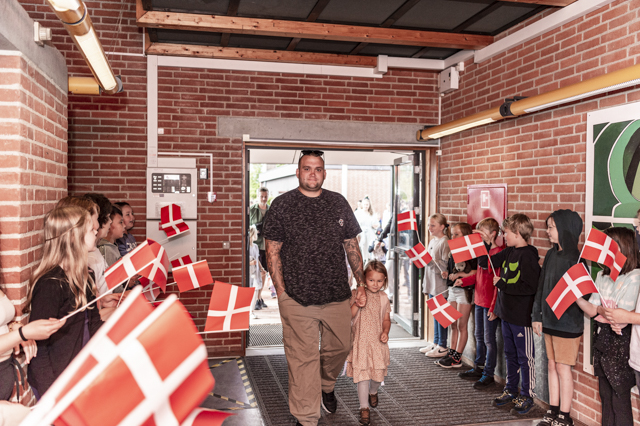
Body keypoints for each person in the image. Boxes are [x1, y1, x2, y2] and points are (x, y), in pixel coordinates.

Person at [263, 149, 366, 426]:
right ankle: (306, 417)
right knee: (302, 359)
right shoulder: (282, 205)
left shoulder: (338, 203)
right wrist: (282, 294)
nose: (312, 173)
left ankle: (326, 384)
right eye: (307, 168)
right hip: (296, 298)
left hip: (336, 296)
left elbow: (351, 246)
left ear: (324, 173)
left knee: (341, 347)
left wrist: (361, 282)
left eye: (317, 169)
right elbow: (272, 251)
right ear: (298, 172)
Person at [27, 206, 103, 396]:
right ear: (72, 237)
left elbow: (93, 325)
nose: (96, 231)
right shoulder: (51, 284)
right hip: (56, 381)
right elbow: (39, 348)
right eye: (90, 229)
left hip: (79, 373)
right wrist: (51, 394)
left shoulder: (86, 276)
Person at [575, 227, 640, 426]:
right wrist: (576, 296)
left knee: (619, 399)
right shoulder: (602, 276)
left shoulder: (634, 276)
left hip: (621, 342)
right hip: (602, 339)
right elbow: (594, 309)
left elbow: (621, 315)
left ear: (622, 248)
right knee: (605, 396)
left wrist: (603, 311)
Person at [478, 214, 540, 415]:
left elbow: (530, 287)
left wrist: (502, 284)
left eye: (506, 233)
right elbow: (485, 263)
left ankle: (527, 394)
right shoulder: (509, 251)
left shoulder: (529, 255)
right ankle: (511, 389)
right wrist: (487, 244)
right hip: (506, 314)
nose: (504, 236)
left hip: (521, 317)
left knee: (525, 358)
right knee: (510, 355)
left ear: (518, 233)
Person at [531, 210, 584, 426]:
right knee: (551, 365)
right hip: (549, 320)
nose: (547, 231)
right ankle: (552, 410)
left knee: (563, 367)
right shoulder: (552, 254)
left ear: (564, 229)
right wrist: (537, 315)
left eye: (551, 227)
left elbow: (583, 294)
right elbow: (541, 285)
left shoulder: (576, 259)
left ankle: (565, 415)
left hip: (567, 323)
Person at [459, 218, 503, 389]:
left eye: (482, 232)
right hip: (478, 300)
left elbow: (496, 283)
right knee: (478, 336)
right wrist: (465, 281)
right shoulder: (481, 253)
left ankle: (489, 374)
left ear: (492, 234)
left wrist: (494, 306)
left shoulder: (498, 253)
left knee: (489, 340)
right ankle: (479, 367)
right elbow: (479, 274)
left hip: (489, 303)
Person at [346, 260, 391, 426]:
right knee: (363, 376)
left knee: (377, 377)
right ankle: (363, 408)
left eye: (379, 281)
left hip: (378, 343)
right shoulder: (356, 294)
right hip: (361, 342)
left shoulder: (384, 298)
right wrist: (357, 304)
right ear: (364, 279)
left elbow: (386, 319)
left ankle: (374, 391)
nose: (375, 284)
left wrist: (385, 332)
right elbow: (349, 316)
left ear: (384, 280)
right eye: (371, 280)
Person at [437, 223, 477, 368]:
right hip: (453, 289)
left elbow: (475, 272)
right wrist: (447, 274)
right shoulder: (452, 252)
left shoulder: (471, 252)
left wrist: (459, 274)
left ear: (465, 235)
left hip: (465, 291)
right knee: (452, 323)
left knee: (461, 325)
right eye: (452, 234)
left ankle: (458, 357)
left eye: (457, 234)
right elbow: (451, 271)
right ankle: (451, 351)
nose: (453, 237)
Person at [421, 214, 451, 358]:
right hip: (432, 283)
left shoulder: (445, 243)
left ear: (442, 227)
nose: (429, 228)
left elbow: (445, 266)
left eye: (433, 225)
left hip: (440, 285)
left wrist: (429, 261)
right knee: (435, 314)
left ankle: (443, 345)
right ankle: (436, 341)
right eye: (428, 225)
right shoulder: (433, 241)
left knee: (441, 316)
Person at [249, 187, 271, 295]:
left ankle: (259, 297)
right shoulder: (252, 210)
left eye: (265, 196)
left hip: (266, 246)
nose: (263, 198)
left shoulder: (271, 211)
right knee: (254, 273)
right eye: (261, 196)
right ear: (258, 196)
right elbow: (246, 226)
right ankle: (254, 297)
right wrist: (254, 229)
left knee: (263, 272)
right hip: (255, 246)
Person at [355, 196, 378, 263]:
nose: (366, 206)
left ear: (369, 205)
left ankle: (368, 261)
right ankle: (363, 261)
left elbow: (376, 223)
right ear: (362, 204)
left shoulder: (372, 214)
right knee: (362, 247)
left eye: (367, 205)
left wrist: (375, 226)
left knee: (369, 248)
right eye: (365, 204)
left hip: (370, 233)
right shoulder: (358, 213)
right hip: (361, 233)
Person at [248, 226, 266, 311]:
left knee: (255, 289)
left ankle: (251, 310)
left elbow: (257, 258)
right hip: (249, 271)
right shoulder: (246, 247)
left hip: (256, 271)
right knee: (249, 289)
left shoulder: (255, 246)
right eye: (256, 233)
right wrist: (250, 263)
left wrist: (262, 268)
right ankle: (249, 310)